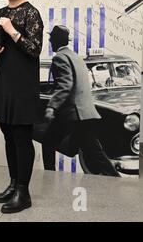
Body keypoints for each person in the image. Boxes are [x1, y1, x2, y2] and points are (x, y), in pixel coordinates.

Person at [0, 0, 44, 213]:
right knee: (8, 134)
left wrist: (11, 31)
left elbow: (35, 49)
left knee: (22, 137)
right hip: (4, 80)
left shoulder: (31, 13)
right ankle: (12, 184)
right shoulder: (0, 12)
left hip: (23, 83)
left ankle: (24, 191)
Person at [41, 25, 120, 177]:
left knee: (48, 141)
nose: (50, 41)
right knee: (94, 150)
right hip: (87, 112)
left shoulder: (60, 58)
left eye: (51, 38)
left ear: (55, 40)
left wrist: (52, 107)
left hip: (74, 113)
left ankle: (49, 177)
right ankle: (115, 178)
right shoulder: (75, 56)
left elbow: (65, 85)